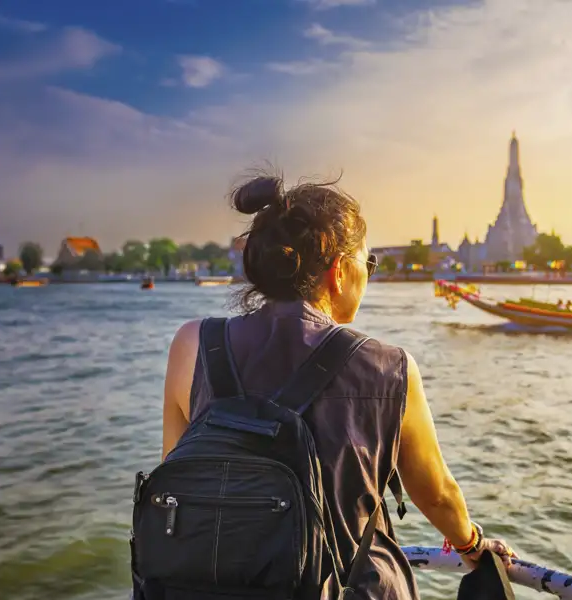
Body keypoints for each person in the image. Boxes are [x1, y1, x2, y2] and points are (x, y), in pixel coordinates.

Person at [161, 174, 515, 599]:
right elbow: (436, 494)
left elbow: (176, 473)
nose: (368, 275)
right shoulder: (390, 367)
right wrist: (472, 545)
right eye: (368, 264)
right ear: (340, 271)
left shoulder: (192, 345)